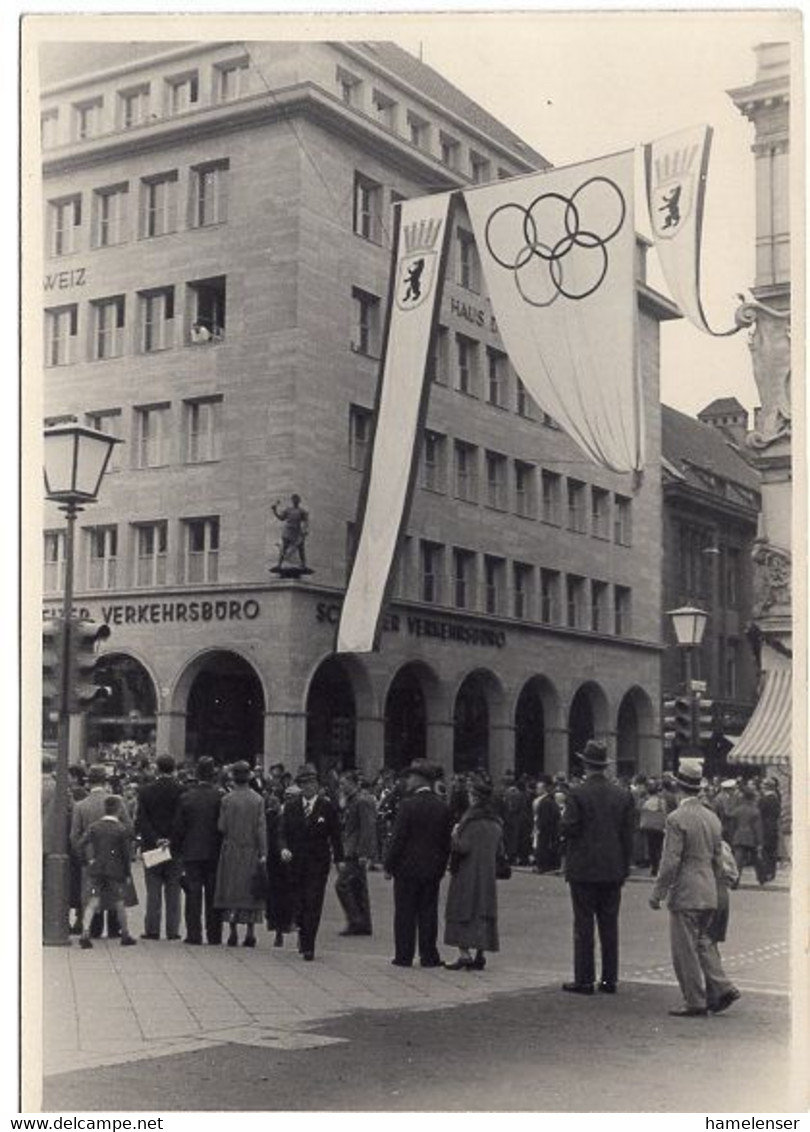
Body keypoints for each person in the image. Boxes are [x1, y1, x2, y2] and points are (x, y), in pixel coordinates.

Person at [649, 758, 741, 1017]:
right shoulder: (712, 818)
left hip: (687, 892)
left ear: (679, 787)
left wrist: (658, 893)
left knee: (685, 949)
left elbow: (670, 862)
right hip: (709, 889)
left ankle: (694, 1000)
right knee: (703, 942)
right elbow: (716, 858)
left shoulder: (676, 818)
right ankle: (722, 986)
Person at [560, 740, 634, 995]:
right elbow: (628, 835)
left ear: (585, 763)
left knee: (583, 924)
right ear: (604, 765)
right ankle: (609, 980)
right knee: (609, 925)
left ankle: (584, 979)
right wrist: (624, 867)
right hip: (613, 868)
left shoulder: (577, 793)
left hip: (583, 867)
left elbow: (569, 827)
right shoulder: (622, 794)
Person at [384, 760, 452, 969]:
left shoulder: (407, 805)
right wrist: (440, 868)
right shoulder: (442, 806)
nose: (408, 781)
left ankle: (403, 955)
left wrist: (389, 864)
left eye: (411, 777)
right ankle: (428, 956)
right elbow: (445, 842)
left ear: (420, 779)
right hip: (431, 869)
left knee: (405, 912)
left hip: (406, 869)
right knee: (428, 912)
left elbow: (398, 839)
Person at [279, 764, 343, 960]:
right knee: (298, 902)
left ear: (317, 785)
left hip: (317, 863)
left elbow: (336, 835)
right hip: (296, 863)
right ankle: (301, 928)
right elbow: (281, 832)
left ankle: (309, 946)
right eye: (304, 784)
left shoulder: (327, 807)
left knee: (314, 902)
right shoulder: (291, 807)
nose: (308, 787)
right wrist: (283, 848)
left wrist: (340, 859)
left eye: (312, 783)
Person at [443, 775, 502, 971]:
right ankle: (480, 954)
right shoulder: (496, 822)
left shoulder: (470, 820)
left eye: (470, 794)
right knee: (483, 911)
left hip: (467, 873)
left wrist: (453, 835)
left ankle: (464, 954)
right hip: (487, 875)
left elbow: (463, 847)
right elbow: (500, 851)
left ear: (475, 798)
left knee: (463, 910)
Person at [71, 764, 133, 939]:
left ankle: (94, 929)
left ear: (89, 783)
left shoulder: (80, 806)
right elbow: (129, 828)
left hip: (92, 858)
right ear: (105, 782)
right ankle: (115, 928)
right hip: (115, 858)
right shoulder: (117, 801)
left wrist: (83, 858)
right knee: (114, 894)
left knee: (93, 893)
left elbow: (74, 836)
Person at [214, 760, 268, 947]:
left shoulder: (227, 800)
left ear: (233, 778)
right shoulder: (258, 800)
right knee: (250, 889)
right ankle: (251, 933)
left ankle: (233, 932)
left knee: (231, 888)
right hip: (251, 849)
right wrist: (263, 852)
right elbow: (261, 828)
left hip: (231, 849)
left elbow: (221, 826)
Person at [171, 756, 223, 946]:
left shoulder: (186, 797)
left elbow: (178, 828)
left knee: (193, 895)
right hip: (214, 853)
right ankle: (214, 934)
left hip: (191, 853)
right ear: (213, 775)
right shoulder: (220, 796)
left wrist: (177, 851)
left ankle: (194, 934)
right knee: (212, 895)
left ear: (196, 774)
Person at [77, 796, 138, 949]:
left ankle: (85, 933)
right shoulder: (121, 829)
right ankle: (125, 934)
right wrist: (127, 873)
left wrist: (88, 860)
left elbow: (80, 844)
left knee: (93, 901)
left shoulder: (94, 827)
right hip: (115, 871)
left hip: (96, 870)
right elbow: (125, 854)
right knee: (119, 902)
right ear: (118, 810)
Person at [136, 753, 184, 941]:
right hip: (174, 848)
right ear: (173, 769)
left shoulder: (145, 791)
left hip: (152, 847)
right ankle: (173, 931)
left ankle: (152, 930)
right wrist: (170, 839)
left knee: (153, 889)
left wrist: (156, 839)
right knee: (173, 890)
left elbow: (142, 820)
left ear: (157, 768)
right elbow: (182, 819)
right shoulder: (182, 790)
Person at [335, 770, 377, 936]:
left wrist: (364, 853)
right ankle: (364, 923)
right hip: (352, 848)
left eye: (343, 783)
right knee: (358, 886)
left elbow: (367, 828)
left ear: (352, 783)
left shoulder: (362, 801)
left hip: (355, 850)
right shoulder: (354, 800)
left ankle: (355, 920)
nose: (341, 787)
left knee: (342, 885)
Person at [264, 787, 295, 946]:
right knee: (278, 896)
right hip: (276, 863)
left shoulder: (288, 816)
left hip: (290, 863)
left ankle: (287, 927)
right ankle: (278, 929)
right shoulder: (273, 817)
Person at [729, 783, 764, 885]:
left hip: (739, 836)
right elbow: (758, 828)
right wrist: (760, 842)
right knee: (756, 860)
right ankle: (761, 878)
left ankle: (735, 880)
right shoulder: (755, 811)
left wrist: (732, 837)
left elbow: (733, 825)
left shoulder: (737, 810)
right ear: (752, 798)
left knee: (738, 861)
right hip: (751, 837)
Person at [271, 494, 309, 570]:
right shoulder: (288, 510)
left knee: (301, 548)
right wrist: (274, 511)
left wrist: (304, 531)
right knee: (284, 548)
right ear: (292, 501)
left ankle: (304, 564)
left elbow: (306, 522)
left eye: (297, 499)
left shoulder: (302, 511)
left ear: (299, 501)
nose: (295, 501)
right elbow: (281, 518)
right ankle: (279, 564)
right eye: (294, 499)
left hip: (297, 532)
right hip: (288, 531)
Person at [532, 775, 560, 873]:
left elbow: (543, 818)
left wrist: (540, 827)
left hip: (544, 829)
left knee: (542, 846)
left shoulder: (544, 802)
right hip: (550, 829)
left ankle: (543, 865)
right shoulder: (550, 801)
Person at [639, 781, 667, 876]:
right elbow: (664, 814)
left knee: (651, 847)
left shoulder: (646, 803)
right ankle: (659, 866)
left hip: (649, 827)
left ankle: (653, 867)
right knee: (659, 847)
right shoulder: (661, 802)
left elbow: (642, 813)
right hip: (659, 827)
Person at [758, 778, 782, 884]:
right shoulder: (776, 799)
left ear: (766, 787)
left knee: (766, 851)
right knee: (772, 851)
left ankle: (766, 872)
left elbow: (759, 813)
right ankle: (772, 872)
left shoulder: (764, 800)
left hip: (764, 827)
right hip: (774, 827)